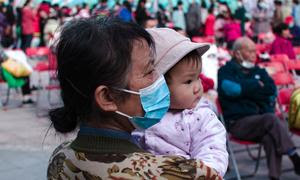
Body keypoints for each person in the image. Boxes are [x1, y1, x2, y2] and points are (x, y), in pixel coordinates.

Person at [47, 17, 222, 180]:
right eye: (149, 71)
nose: (160, 79)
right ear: (108, 97)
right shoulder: (181, 173)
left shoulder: (60, 160)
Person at [132, 28, 228, 177]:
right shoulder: (142, 112)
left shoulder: (200, 116)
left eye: (198, 78)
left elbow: (213, 150)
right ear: (159, 85)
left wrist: (203, 174)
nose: (198, 87)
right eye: (189, 81)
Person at [217, 37, 300, 180]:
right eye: (249, 51)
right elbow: (233, 90)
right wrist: (256, 85)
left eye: (255, 51)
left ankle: (274, 177)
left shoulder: (259, 71)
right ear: (237, 54)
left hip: (261, 121)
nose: (254, 54)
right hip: (238, 123)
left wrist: (247, 89)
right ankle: (294, 157)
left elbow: (271, 90)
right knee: (271, 119)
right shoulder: (225, 71)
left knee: (270, 136)